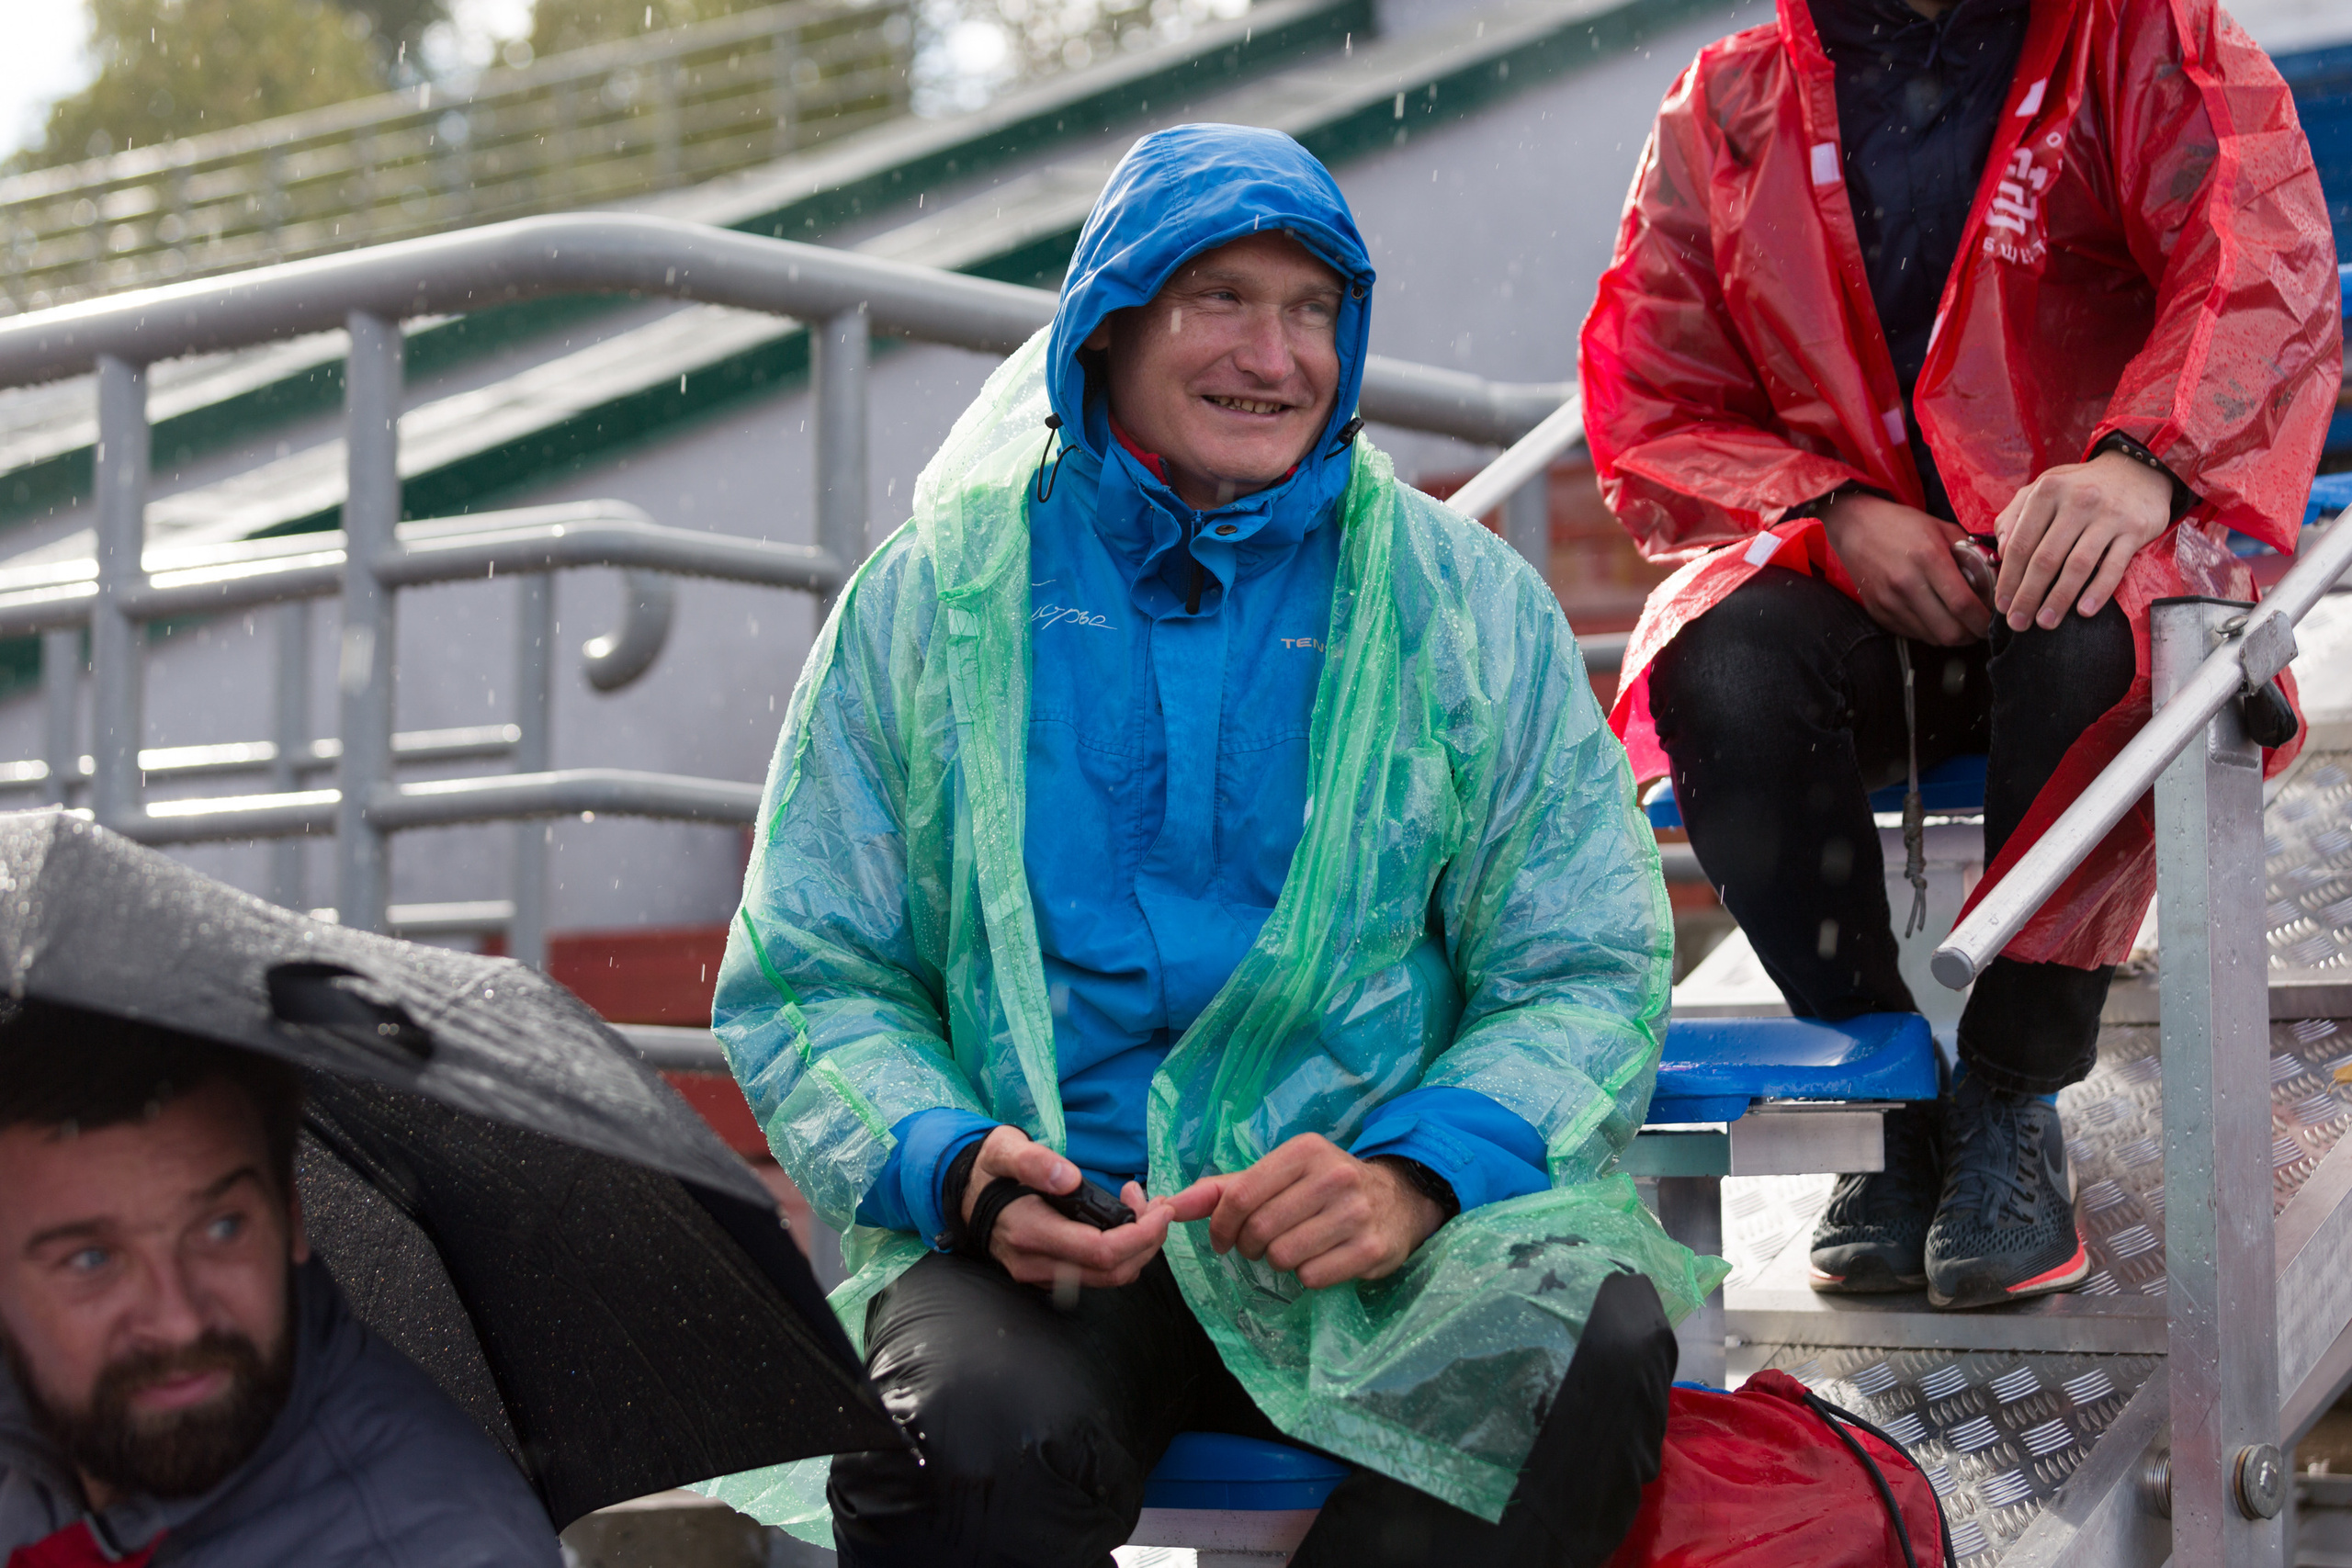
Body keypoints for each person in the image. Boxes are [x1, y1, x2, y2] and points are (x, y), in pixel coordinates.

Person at [712, 122, 1719, 1568]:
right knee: (962, 1449)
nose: (1276, 354)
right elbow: (812, 967)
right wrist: (961, 1168)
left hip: (1372, 1242)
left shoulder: (1462, 604)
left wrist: (1411, 1174)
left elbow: (1581, 959)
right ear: (1108, 327)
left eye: (1314, 308)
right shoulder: (937, 597)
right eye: (1221, 301)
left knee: (1588, 1349)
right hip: (1042, 1237)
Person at [1580, 0, 2340, 1308]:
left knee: (2089, 614)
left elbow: (2253, 266)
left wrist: (2138, 462)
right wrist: (1832, 513)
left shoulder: (2141, 39)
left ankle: (2007, 1091)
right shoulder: (1725, 112)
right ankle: (1893, 1096)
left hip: (2102, 579)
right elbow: (1656, 394)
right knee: (1724, 665)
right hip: (1882, 607)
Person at [0, 1006, 562, 1568]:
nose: (179, 1320)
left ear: (291, 1217)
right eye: (91, 1259)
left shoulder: (432, 1551)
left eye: (222, 1228)